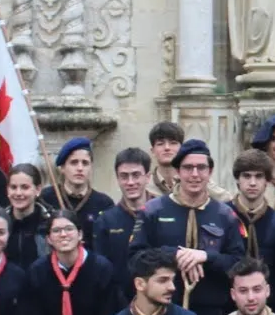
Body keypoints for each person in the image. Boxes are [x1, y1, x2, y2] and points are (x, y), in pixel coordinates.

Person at [141, 139, 247, 315]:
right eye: (188, 167)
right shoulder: (154, 211)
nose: (195, 174)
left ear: (210, 172)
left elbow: (239, 263)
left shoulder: (225, 215)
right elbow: (136, 258)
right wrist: (174, 255)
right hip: (162, 312)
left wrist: (206, 257)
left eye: (201, 168)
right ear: (177, 171)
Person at [25, 210, 120, 315]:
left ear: (80, 234)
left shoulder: (102, 268)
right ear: (48, 239)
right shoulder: (38, 271)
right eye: (56, 231)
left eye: (69, 229)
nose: (63, 235)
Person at [230, 148, 275, 311]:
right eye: (246, 176)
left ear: (267, 181)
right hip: (227, 307)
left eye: (259, 176)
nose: (252, 183)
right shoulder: (222, 217)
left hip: (269, 308)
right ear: (237, 180)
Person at [93, 147, 153, 285]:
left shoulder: (162, 213)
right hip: (121, 300)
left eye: (136, 175)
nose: (130, 182)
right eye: (124, 176)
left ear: (148, 177)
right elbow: (102, 269)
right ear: (117, 179)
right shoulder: (106, 221)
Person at [42, 137, 115, 234]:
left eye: (85, 163)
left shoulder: (104, 203)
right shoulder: (47, 198)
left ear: (91, 168)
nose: (80, 168)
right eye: (74, 163)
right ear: (62, 168)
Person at [4, 163, 52, 269]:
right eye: (13, 187)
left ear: (38, 190)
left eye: (25, 187)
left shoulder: (52, 224)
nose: (18, 193)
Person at [146, 122, 186, 201]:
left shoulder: (193, 181)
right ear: (152, 151)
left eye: (173, 143)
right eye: (160, 144)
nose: (167, 148)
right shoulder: (145, 186)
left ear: (182, 148)